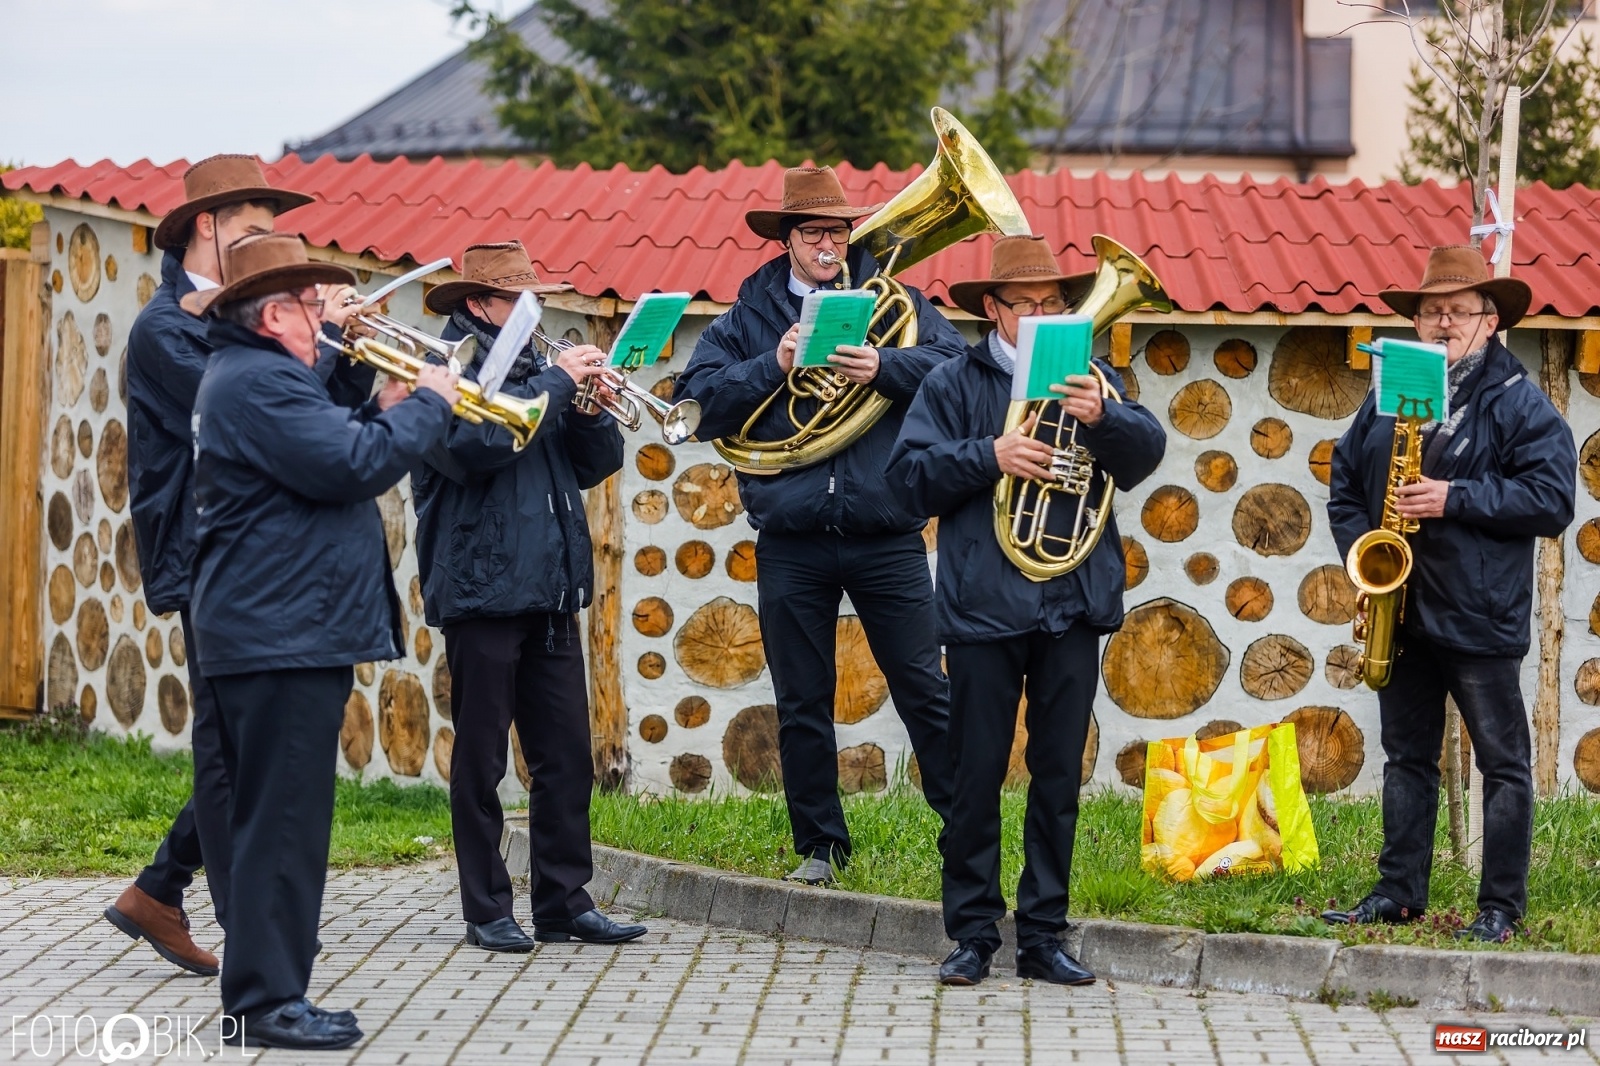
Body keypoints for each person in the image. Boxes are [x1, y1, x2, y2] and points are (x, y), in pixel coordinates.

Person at [189, 232, 460, 1049]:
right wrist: (428, 403)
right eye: (311, 307)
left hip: (276, 625)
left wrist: (374, 403)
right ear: (273, 313)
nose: (323, 319)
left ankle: (268, 993)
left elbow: (326, 446)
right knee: (284, 822)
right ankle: (268, 1004)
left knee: (277, 818)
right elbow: (351, 466)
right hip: (281, 630)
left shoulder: (261, 377)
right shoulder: (262, 381)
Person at [108, 154, 371, 976]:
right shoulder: (167, 330)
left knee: (253, 745)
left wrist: (351, 349)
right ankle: (246, 930)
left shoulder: (254, 318)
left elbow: (323, 414)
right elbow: (261, 409)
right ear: (209, 229)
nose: (272, 246)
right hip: (206, 551)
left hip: (263, 555)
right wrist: (319, 337)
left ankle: (159, 887)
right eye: (256, 232)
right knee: (228, 751)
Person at [888, 235, 1166, 986]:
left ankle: (1043, 934)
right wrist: (991, 455)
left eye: (1055, 304)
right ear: (993, 309)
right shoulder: (953, 382)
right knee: (975, 774)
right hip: (984, 607)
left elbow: (1146, 455)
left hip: (1070, 604)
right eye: (1029, 305)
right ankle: (974, 933)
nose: (1044, 316)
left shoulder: (1091, 375)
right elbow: (907, 480)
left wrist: (1105, 417)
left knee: (1057, 777)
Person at [674, 166, 963, 885]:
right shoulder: (747, 316)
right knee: (803, 700)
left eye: (837, 231)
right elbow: (697, 403)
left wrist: (886, 365)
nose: (828, 243)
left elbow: (963, 366)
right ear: (788, 241)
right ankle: (820, 849)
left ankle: (966, 833)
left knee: (924, 689)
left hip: (886, 529)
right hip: (793, 536)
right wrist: (773, 364)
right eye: (813, 232)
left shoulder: (894, 299)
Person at [1323, 245, 1576, 942]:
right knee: (1406, 757)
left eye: (1458, 311)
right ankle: (1399, 893)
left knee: (1503, 763)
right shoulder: (1393, 384)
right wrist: (1359, 552)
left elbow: (1553, 499)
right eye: (1431, 311)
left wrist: (1452, 497)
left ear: (1490, 321)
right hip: (1398, 607)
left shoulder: (1519, 399)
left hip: (1479, 610)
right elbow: (1346, 478)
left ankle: (1500, 908)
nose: (1441, 323)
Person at [413, 240, 646, 953]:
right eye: (518, 298)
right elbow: (476, 447)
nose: (532, 309)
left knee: (567, 757)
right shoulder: (445, 371)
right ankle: (486, 906)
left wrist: (589, 409)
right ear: (479, 305)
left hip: (548, 588)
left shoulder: (533, 372)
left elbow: (594, 465)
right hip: (482, 589)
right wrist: (554, 386)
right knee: (482, 761)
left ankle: (563, 900)